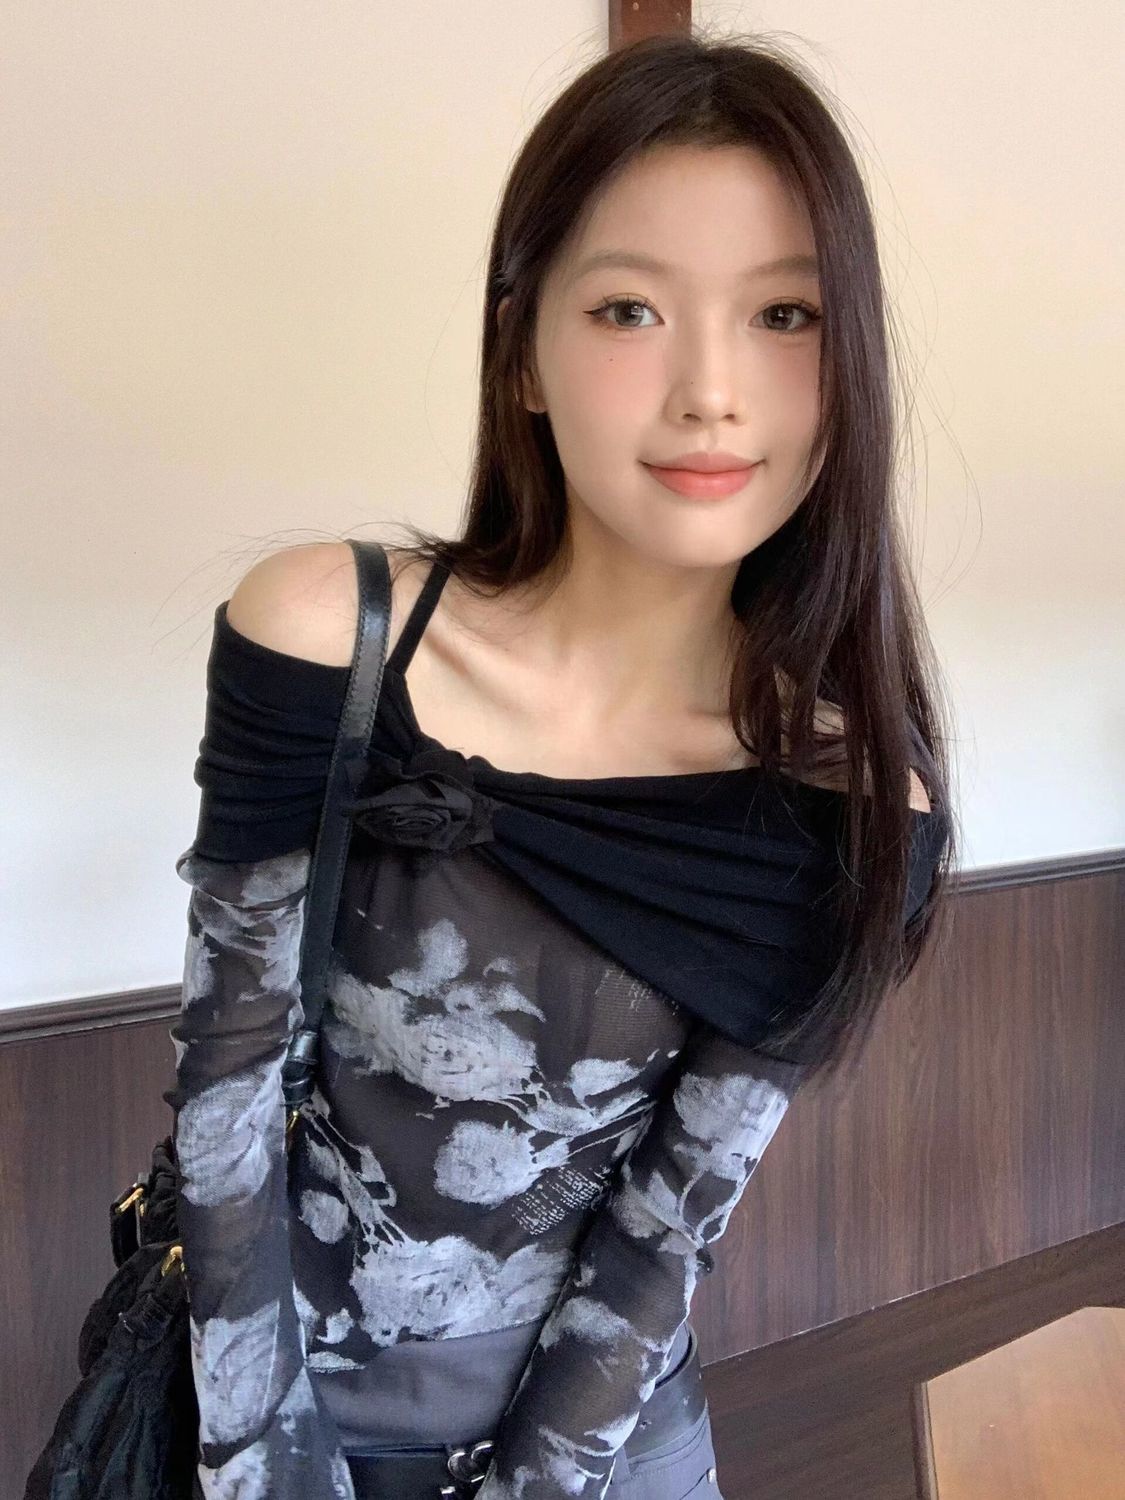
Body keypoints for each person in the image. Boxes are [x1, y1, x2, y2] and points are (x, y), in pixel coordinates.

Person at [166, 30, 956, 1500]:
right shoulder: (329, 635)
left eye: (785, 314)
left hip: (609, 1446)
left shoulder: (851, 805)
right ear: (521, 351)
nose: (711, 391)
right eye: (630, 309)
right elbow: (228, 1084)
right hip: (252, 1428)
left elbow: (668, 1227)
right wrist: (263, 1469)